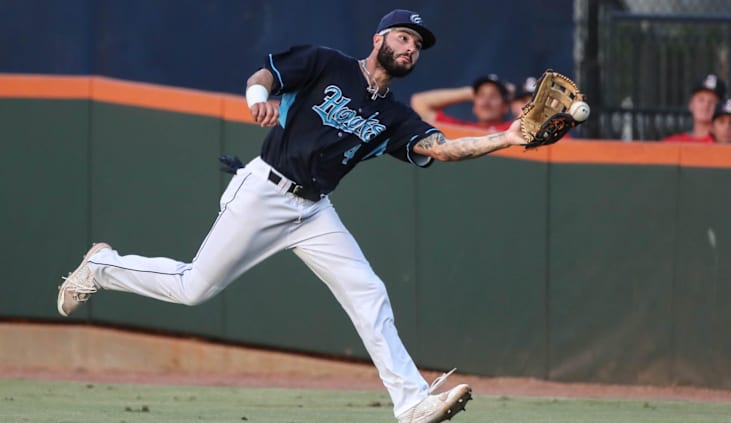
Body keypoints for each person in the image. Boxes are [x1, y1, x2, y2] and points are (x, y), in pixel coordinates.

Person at [57, 9, 531, 423]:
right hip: (265, 191)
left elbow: (445, 149)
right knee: (193, 288)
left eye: (418, 45)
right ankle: (101, 266)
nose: (411, 48)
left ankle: (411, 403)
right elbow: (261, 78)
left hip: (314, 210)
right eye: (403, 37)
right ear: (379, 39)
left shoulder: (394, 117)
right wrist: (255, 101)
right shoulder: (326, 63)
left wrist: (506, 138)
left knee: (368, 291)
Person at [410, 73, 512, 131]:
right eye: (481, 96)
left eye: (493, 96)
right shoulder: (461, 129)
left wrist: (514, 92)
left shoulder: (512, 130)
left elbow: (527, 115)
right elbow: (419, 102)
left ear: (505, 107)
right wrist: (470, 93)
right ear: (474, 106)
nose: (486, 102)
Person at [663, 73, 726, 142]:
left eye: (712, 101)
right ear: (691, 104)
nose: (706, 105)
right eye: (701, 99)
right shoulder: (672, 143)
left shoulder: (728, 144)